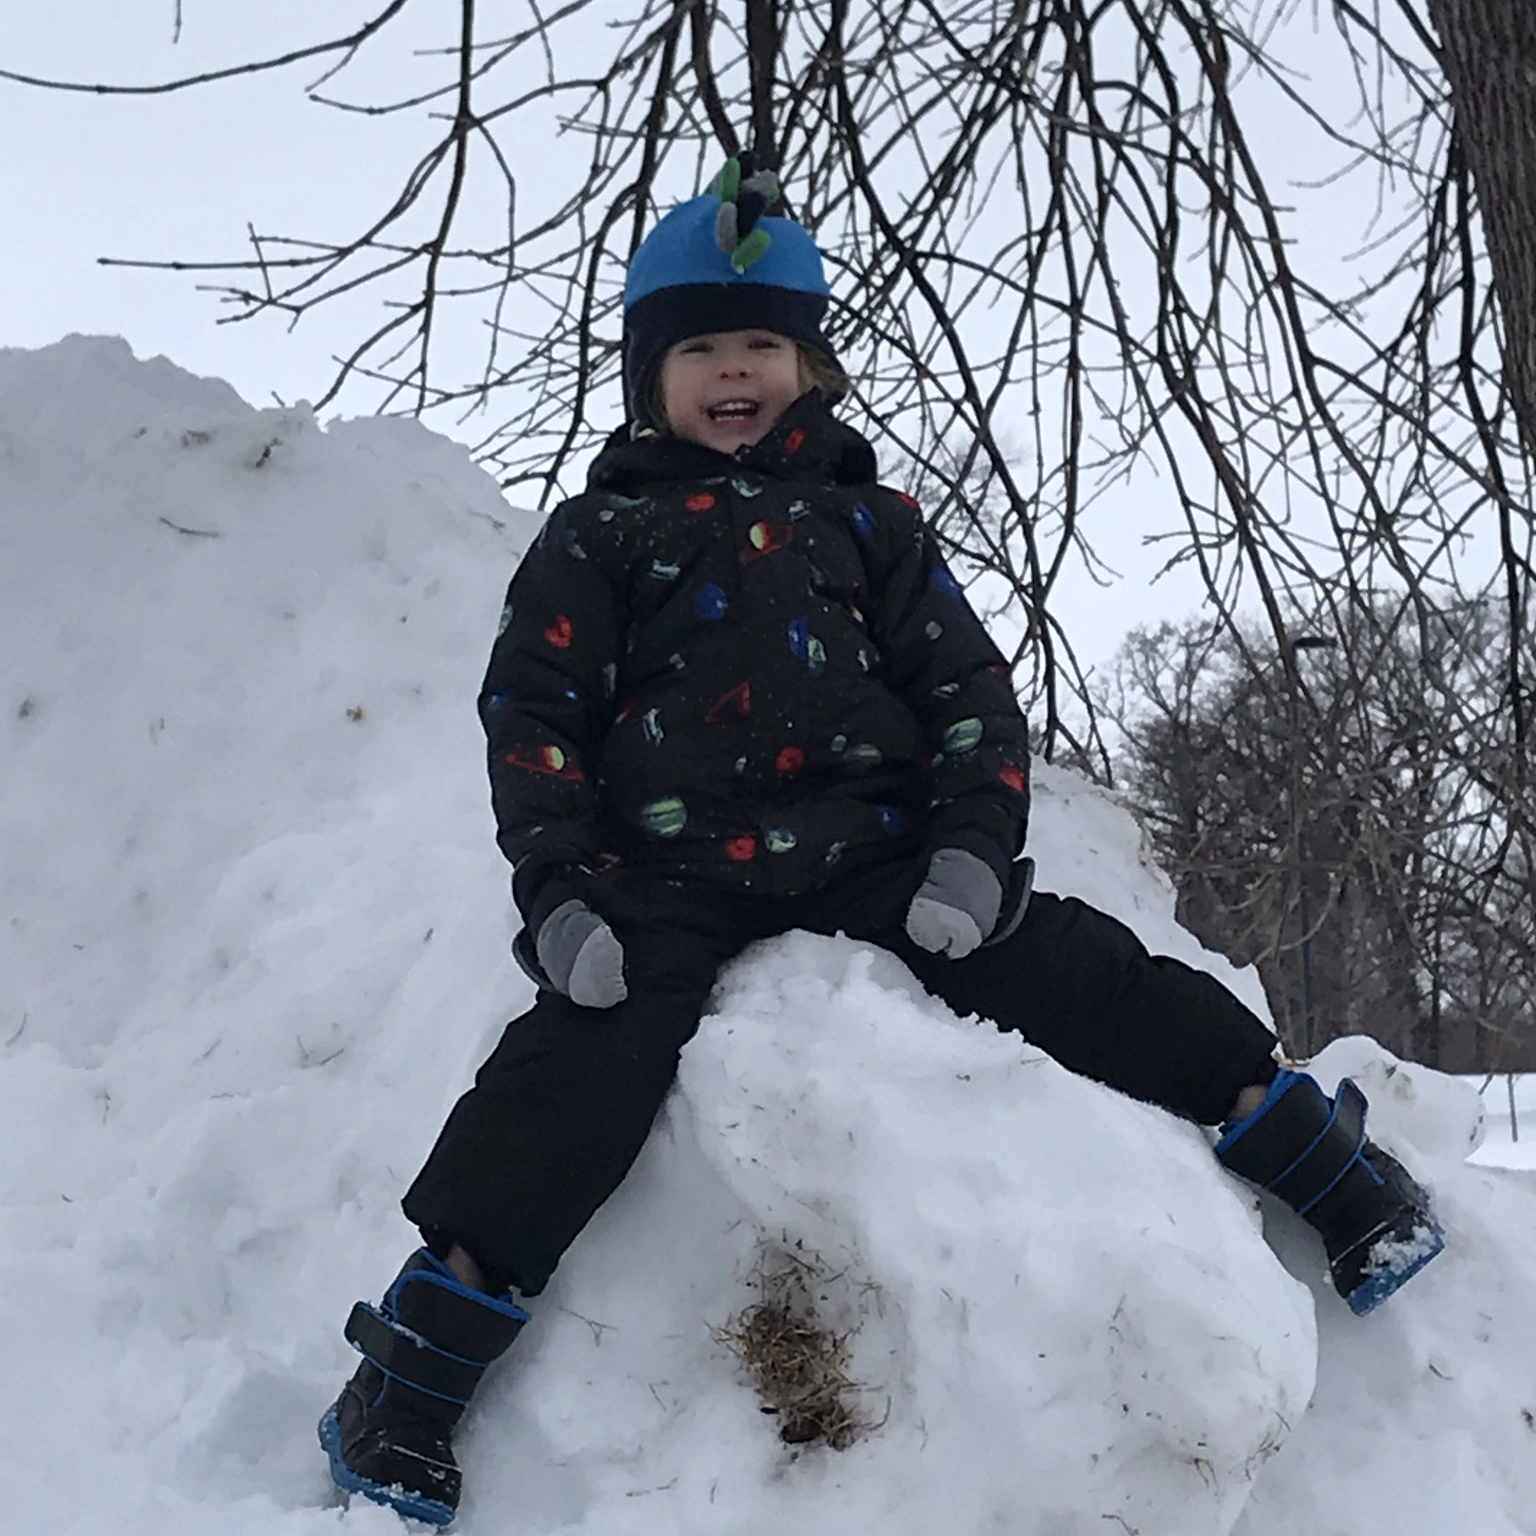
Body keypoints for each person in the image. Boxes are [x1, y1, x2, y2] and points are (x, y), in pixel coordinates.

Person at [318, 155, 1444, 1526]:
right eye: (702, 351)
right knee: (577, 1071)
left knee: (1071, 971)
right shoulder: (597, 539)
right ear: (649, 376)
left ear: (810, 366)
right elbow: (534, 720)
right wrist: (562, 900)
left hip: (875, 849)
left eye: (764, 346)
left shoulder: (871, 525)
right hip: (664, 876)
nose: (735, 374)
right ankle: (413, 1380)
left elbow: (968, 695)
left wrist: (973, 852)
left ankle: (1324, 1165)